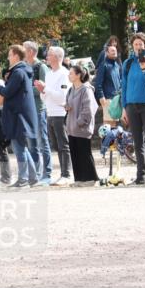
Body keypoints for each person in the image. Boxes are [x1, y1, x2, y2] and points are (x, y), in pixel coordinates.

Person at [0, 44, 40, 188]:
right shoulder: (21, 71)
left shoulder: (18, 72)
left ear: (15, 56)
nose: (8, 57)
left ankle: (23, 179)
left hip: (18, 117)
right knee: (22, 148)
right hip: (20, 116)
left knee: (19, 149)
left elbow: (7, 92)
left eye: (9, 54)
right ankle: (32, 178)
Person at [120, 32, 145, 185]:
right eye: (136, 44)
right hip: (131, 105)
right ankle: (140, 176)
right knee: (137, 142)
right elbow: (123, 86)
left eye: (141, 45)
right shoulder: (128, 63)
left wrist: (144, 67)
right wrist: (124, 107)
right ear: (133, 46)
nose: (138, 47)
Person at [24, 41, 53, 185]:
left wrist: (27, 90)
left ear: (30, 51)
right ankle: (35, 173)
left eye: (24, 50)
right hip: (27, 110)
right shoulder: (24, 66)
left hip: (39, 108)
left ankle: (47, 173)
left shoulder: (41, 67)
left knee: (43, 142)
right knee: (31, 143)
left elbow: (45, 87)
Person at [65, 64, 99, 186]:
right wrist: (67, 107)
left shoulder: (86, 89)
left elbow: (88, 109)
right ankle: (79, 179)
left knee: (84, 153)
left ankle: (90, 179)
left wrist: (80, 122)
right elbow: (68, 102)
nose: (69, 75)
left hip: (81, 128)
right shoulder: (71, 89)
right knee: (75, 154)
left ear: (78, 75)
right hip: (71, 127)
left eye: (71, 73)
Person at [43, 46, 72, 186]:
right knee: (55, 144)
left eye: (49, 55)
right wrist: (43, 91)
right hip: (50, 113)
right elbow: (46, 96)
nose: (47, 57)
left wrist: (45, 90)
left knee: (63, 144)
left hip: (61, 113)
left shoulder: (64, 74)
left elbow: (62, 98)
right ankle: (63, 172)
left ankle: (66, 174)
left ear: (57, 57)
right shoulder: (48, 74)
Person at [93, 44, 122, 126]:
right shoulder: (103, 65)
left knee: (115, 125)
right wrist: (101, 97)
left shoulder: (117, 65)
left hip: (117, 99)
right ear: (107, 53)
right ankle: (107, 139)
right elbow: (98, 83)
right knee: (108, 126)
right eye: (112, 51)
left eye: (115, 51)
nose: (114, 52)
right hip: (108, 99)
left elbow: (119, 81)